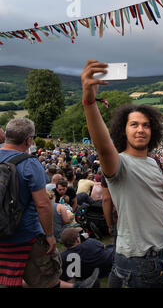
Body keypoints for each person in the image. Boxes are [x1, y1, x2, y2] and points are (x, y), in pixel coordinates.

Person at [81, 60, 163, 288]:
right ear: (122, 130)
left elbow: (159, 208)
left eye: (146, 125)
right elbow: (103, 146)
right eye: (134, 124)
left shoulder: (154, 163)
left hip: (157, 256)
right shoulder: (118, 163)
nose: (140, 129)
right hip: (138, 262)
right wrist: (89, 101)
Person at [0, 118, 96, 288]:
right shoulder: (29, 163)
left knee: (9, 279)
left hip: (2, 234)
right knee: (47, 280)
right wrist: (50, 235)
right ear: (29, 140)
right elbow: (43, 205)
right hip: (26, 235)